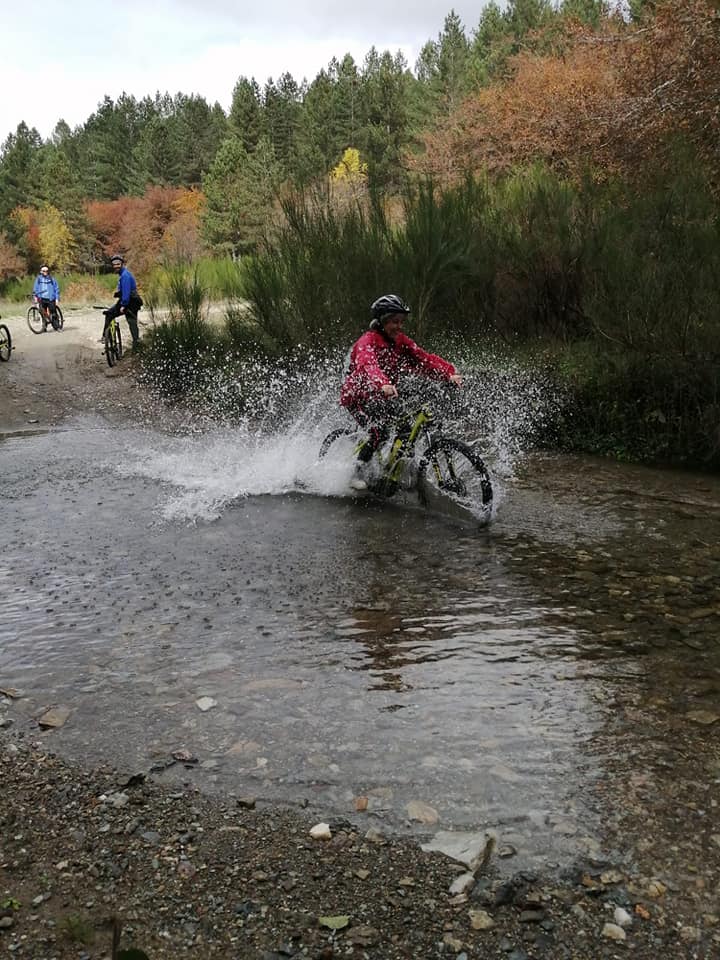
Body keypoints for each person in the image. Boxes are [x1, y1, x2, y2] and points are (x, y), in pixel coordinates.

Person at [340, 294, 462, 486]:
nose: (399, 326)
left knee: (406, 426)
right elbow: (367, 364)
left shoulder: (401, 341)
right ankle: (357, 473)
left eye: (401, 322)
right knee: (379, 431)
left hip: (384, 392)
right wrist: (382, 383)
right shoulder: (367, 340)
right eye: (394, 322)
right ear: (381, 321)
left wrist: (448, 374)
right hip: (358, 396)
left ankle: (393, 473)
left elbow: (424, 359)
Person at [102, 254, 142, 348]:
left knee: (109, 314)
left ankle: (105, 338)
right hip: (132, 302)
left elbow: (127, 292)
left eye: (118, 264)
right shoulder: (124, 274)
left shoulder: (125, 276)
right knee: (132, 323)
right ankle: (136, 344)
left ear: (122, 264)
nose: (116, 266)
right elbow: (125, 290)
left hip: (129, 302)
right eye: (114, 264)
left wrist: (123, 305)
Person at [32, 265, 61, 331]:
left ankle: (57, 327)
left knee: (53, 312)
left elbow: (56, 289)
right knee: (43, 313)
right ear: (41, 271)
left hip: (51, 298)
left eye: (47, 271)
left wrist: (57, 298)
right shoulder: (38, 279)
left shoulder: (51, 279)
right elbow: (35, 289)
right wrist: (35, 296)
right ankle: (44, 327)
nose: (45, 272)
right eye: (44, 271)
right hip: (42, 298)